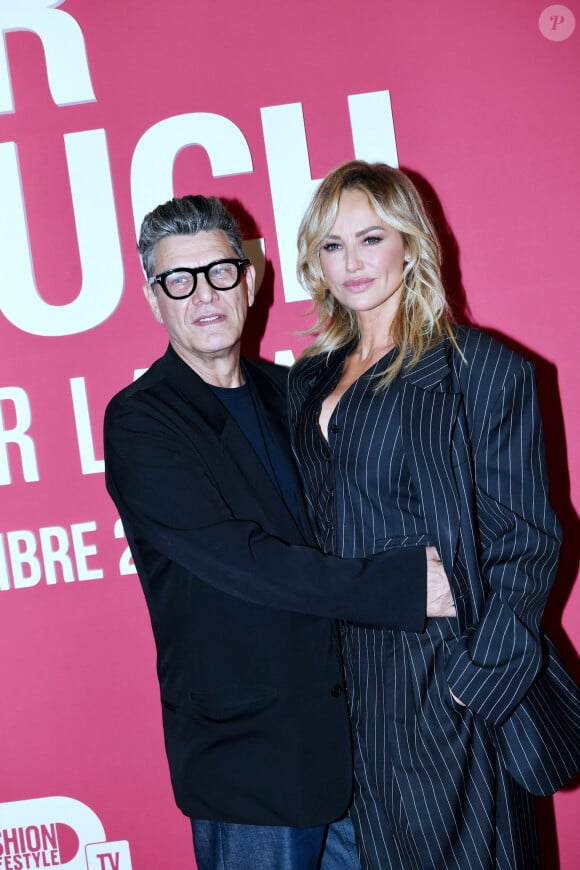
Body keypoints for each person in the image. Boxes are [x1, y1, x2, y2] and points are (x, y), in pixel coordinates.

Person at [103, 194, 456, 870]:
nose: (203, 294)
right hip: (248, 763)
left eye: (219, 272)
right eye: (179, 279)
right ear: (155, 300)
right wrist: (410, 584)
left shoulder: (292, 392)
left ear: (251, 278)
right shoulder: (142, 421)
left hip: (353, 744)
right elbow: (244, 561)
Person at [288, 160, 580, 869]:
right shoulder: (308, 378)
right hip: (341, 692)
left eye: (370, 238)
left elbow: (528, 544)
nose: (351, 262)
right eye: (332, 245)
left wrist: (472, 687)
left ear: (412, 244)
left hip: (440, 683)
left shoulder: (478, 369)